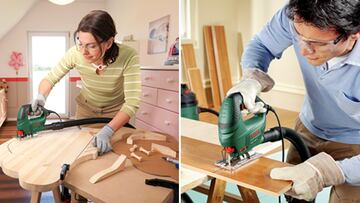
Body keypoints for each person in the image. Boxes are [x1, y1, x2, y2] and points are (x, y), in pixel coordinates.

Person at [227, 0, 360, 202]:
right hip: (309, 125)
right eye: (298, 37)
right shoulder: (295, 14)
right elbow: (262, 45)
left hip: (355, 143)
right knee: (293, 193)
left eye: (316, 43)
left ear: (353, 35)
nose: (303, 51)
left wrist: (326, 172)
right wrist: (252, 78)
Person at [31, 10, 141, 155]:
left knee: (113, 154)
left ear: (108, 42)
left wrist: (108, 130)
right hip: (86, 111)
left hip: (116, 114)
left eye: (91, 46)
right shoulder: (74, 54)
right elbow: (50, 79)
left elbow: (132, 103)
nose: (83, 52)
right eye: (80, 43)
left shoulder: (128, 55)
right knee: (83, 152)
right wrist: (41, 97)